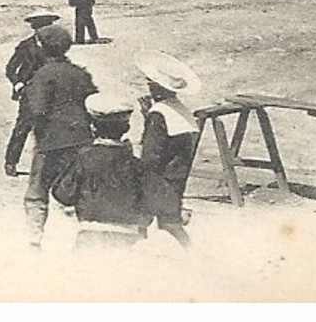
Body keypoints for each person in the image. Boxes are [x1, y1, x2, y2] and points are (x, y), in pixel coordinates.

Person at [18, 23, 96, 249]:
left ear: (43, 48)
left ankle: (34, 237)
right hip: (81, 140)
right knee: (78, 188)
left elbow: (37, 110)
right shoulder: (81, 74)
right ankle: (80, 231)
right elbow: (93, 103)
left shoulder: (42, 76)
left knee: (37, 190)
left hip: (50, 141)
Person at [51, 93, 151, 251]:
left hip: (90, 235)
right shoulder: (136, 165)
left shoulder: (84, 159)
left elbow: (63, 194)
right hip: (129, 238)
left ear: (92, 127)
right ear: (126, 128)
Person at [136, 52, 203, 247]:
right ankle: (189, 250)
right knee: (169, 221)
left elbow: (151, 154)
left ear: (155, 87)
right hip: (177, 176)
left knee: (142, 220)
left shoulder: (159, 114)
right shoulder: (181, 110)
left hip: (159, 178)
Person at [3, 11, 63, 177]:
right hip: (30, 92)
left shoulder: (56, 46)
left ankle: (51, 166)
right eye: (42, 28)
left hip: (52, 93)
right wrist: (17, 83)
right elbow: (10, 68)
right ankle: (11, 162)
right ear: (35, 29)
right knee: (23, 127)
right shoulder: (26, 46)